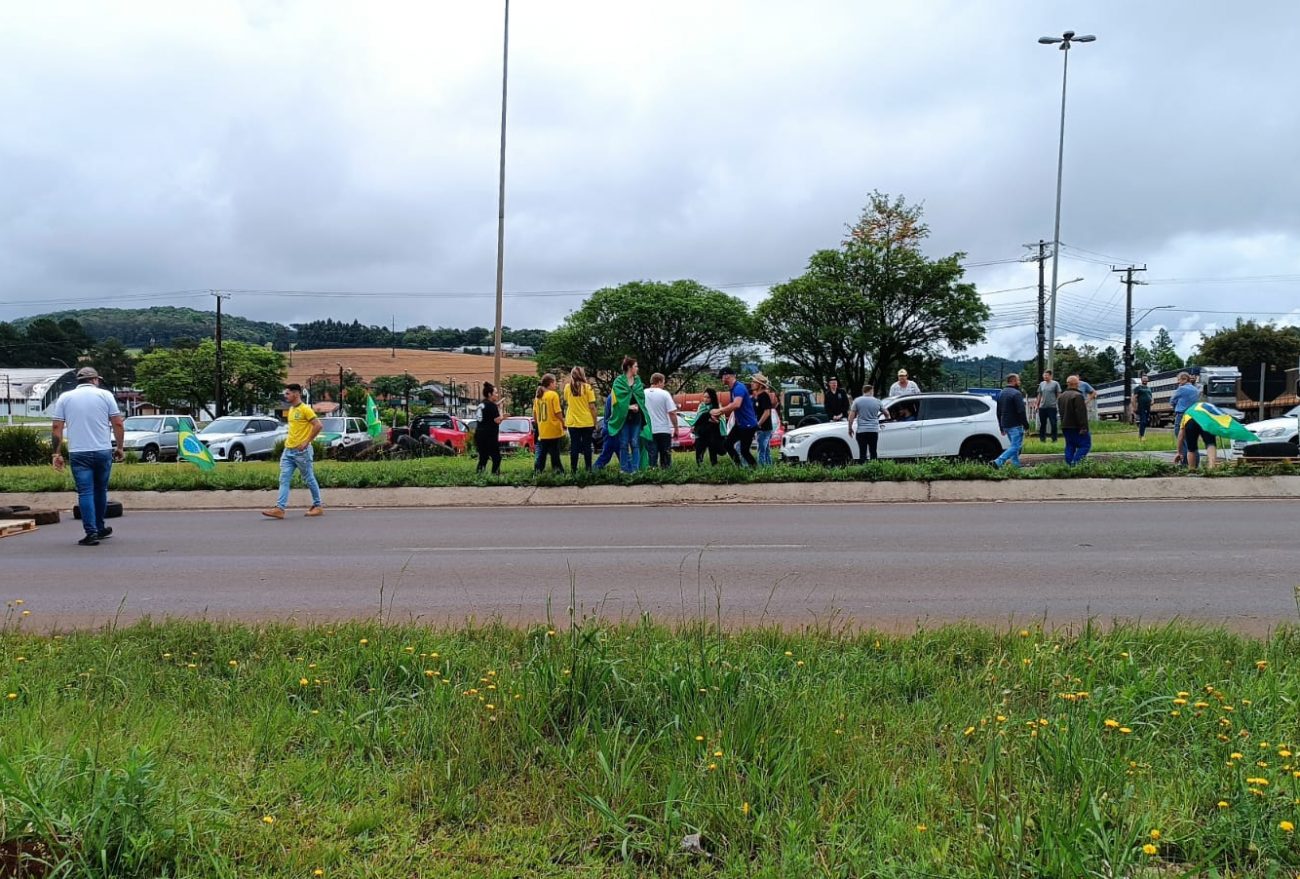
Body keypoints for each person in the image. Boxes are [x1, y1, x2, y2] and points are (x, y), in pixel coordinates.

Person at [50, 367, 125, 546]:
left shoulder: (65, 398)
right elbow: (117, 423)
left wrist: (56, 453)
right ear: (94, 380)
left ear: (79, 381)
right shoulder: (105, 395)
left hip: (79, 452)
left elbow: (56, 427)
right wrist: (120, 447)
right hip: (102, 451)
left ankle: (91, 532)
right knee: (100, 490)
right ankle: (99, 527)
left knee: (85, 492)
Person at [264, 383, 324, 519]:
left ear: (296, 394)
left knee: (309, 478)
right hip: (288, 451)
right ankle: (280, 508)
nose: (285, 396)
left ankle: (318, 505)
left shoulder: (305, 409)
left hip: (301, 452)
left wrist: (306, 442)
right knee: (284, 479)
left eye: (288, 393)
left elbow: (318, 425)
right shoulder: (291, 409)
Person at [606, 356, 648, 473]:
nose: (637, 368)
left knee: (635, 443)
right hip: (623, 418)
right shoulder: (618, 381)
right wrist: (629, 407)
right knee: (624, 443)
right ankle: (624, 469)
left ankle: (635, 469)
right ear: (629, 367)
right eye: (635, 366)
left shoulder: (638, 380)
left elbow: (641, 397)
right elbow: (617, 401)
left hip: (636, 417)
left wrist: (638, 406)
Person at [713, 368, 758, 467]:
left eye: (721, 377)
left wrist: (720, 410)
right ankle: (739, 467)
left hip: (748, 425)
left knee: (744, 451)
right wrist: (719, 414)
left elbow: (736, 404)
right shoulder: (733, 389)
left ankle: (756, 469)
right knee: (727, 444)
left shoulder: (739, 388)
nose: (721, 379)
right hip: (740, 424)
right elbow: (731, 406)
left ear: (727, 376)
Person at [563, 366, 598, 471]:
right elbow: (592, 407)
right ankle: (588, 470)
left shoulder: (567, 388)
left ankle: (574, 470)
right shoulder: (588, 388)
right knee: (587, 446)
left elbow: (566, 401)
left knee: (574, 446)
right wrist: (595, 422)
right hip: (586, 421)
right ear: (583, 375)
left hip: (573, 421)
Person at [993, 373, 1029, 469]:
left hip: (1006, 424)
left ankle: (1015, 467)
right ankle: (998, 461)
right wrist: (1026, 425)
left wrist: (1001, 427)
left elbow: (998, 412)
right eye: (1018, 380)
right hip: (1015, 425)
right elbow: (1021, 411)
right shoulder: (1016, 393)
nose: (1019, 382)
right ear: (1013, 381)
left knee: (1014, 447)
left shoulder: (1001, 393)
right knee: (1016, 447)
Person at [643, 372, 679, 469]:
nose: (664, 385)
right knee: (665, 454)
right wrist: (676, 428)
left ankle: (652, 471)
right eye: (663, 382)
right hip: (663, 429)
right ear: (659, 382)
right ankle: (666, 473)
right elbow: (672, 413)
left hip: (649, 429)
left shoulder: (643, 393)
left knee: (652, 454)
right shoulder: (665, 394)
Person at [532, 373, 566, 473]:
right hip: (553, 428)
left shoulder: (538, 397)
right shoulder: (553, 395)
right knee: (555, 453)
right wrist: (563, 422)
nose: (556, 385)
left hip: (543, 430)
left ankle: (538, 471)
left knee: (542, 453)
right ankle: (559, 471)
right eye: (555, 382)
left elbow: (535, 414)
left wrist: (539, 424)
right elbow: (558, 412)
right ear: (550, 383)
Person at [847, 383, 883, 464]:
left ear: (864, 391)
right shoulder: (877, 401)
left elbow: (851, 417)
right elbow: (886, 413)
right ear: (871, 391)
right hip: (873, 431)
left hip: (861, 431)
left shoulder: (857, 401)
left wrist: (850, 428)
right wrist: (888, 418)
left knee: (862, 452)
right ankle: (874, 468)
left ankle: (862, 468)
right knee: (873, 451)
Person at [1059, 375, 1091, 466]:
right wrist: (1084, 427)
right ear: (1077, 384)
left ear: (1068, 384)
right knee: (1085, 445)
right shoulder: (1078, 396)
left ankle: (1068, 465)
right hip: (1076, 426)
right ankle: (1075, 463)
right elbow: (1081, 413)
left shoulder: (1061, 397)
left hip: (1065, 425)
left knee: (1070, 446)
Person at [1169, 371, 1199, 465]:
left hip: (1182, 415)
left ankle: (1185, 464)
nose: (1178, 382)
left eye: (1179, 380)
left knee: (1181, 439)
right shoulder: (1196, 390)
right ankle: (1195, 464)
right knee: (1192, 440)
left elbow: (1172, 400)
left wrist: (1176, 407)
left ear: (1185, 379)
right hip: (1193, 416)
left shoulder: (1181, 389)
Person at [475, 383, 504, 474]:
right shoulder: (492, 406)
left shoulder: (482, 404)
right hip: (489, 436)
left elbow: (487, 414)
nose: (497, 395)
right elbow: (497, 420)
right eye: (495, 393)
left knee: (483, 457)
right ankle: (494, 475)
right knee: (497, 458)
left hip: (479, 435)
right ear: (489, 394)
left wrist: (497, 405)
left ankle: (479, 475)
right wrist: (502, 411)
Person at [692, 387, 725, 465]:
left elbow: (720, 420)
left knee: (713, 451)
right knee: (699, 451)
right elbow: (697, 419)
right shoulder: (701, 406)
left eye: (708, 397)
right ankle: (699, 467)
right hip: (701, 432)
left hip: (712, 433)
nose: (705, 399)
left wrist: (711, 418)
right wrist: (708, 417)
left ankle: (714, 466)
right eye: (704, 397)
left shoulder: (717, 407)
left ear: (712, 398)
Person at [752, 374, 776, 466]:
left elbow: (767, 412)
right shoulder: (758, 396)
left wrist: (758, 424)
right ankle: (768, 468)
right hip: (763, 428)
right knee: (765, 450)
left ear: (760, 385)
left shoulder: (764, 396)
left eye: (754, 382)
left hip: (764, 428)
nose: (752, 383)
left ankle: (762, 469)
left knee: (761, 450)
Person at [1036, 370, 1062, 443]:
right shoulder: (1041, 384)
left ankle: (1054, 439)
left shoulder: (1055, 384)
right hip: (1042, 407)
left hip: (1052, 407)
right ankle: (1042, 439)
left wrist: (1056, 402)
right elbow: (1039, 394)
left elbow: (1059, 393)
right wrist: (1037, 405)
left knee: (1053, 423)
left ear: (1051, 376)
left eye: (1047, 375)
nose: (1045, 377)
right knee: (1042, 424)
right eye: (1044, 375)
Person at [1132, 374, 1154, 441]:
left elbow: (1151, 396)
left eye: (1146, 379)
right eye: (1143, 379)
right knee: (1143, 421)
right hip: (1141, 406)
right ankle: (1141, 436)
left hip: (1148, 407)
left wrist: (1152, 401)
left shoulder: (1148, 388)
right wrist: (1134, 407)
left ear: (1147, 380)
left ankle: (1141, 434)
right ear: (1141, 380)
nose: (1145, 380)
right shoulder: (1138, 388)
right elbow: (1134, 398)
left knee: (1146, 421)